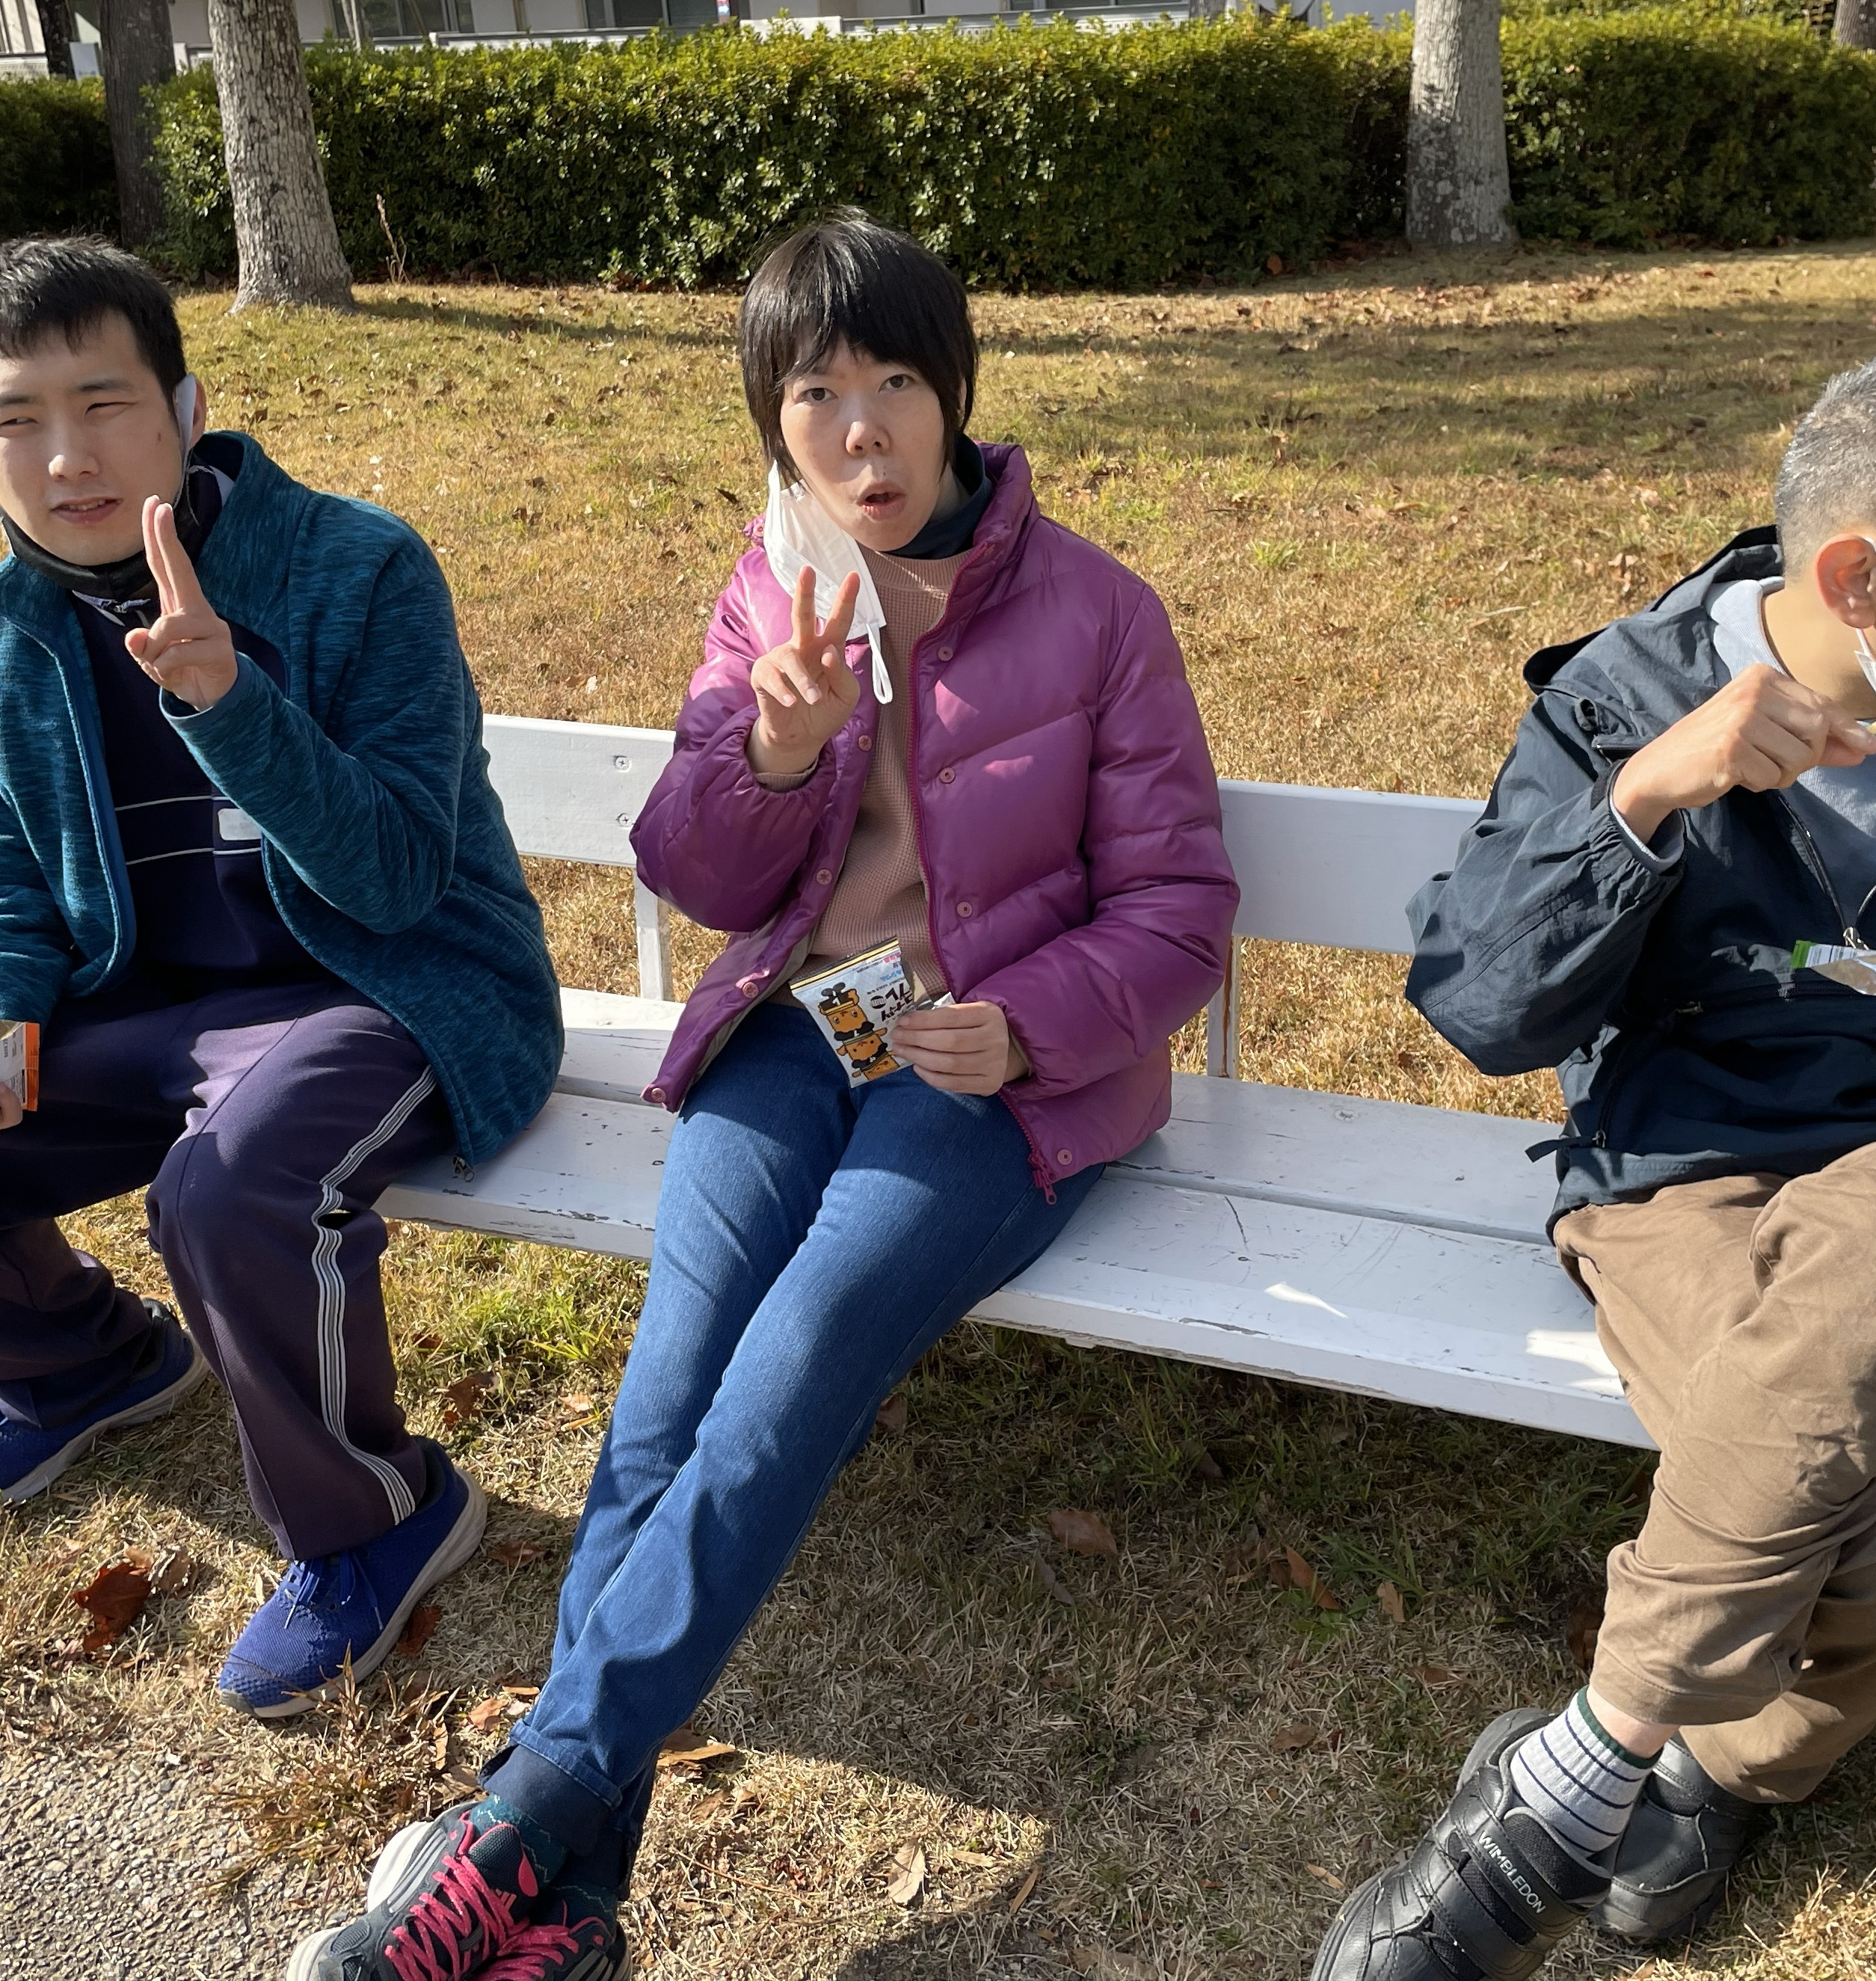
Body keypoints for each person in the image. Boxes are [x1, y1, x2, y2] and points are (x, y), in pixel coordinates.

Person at [287, 212, 1239, 1981]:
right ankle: (562, 1899)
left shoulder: (1100, 612)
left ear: (956, 395)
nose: (862, 431)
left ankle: (515, 1828)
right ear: (773, 424)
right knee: (666, 1397)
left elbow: (1180, 910)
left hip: (991, 1078)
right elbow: (698, 872)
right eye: (816, 394)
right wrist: (776, 752)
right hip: (799, 1034)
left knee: (794, 1364)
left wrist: (1023, 1027)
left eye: (896, 384)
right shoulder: (773, 594)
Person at [1311, 344, 1876, 1980]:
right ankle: (1722, 1768)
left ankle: (1574, 1780)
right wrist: (1643, 801)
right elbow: (1480, 1007)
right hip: (1689, 1179)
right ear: (1858, 576)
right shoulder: (1623, 701)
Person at [0, 236, 561, 1719]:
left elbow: (400, 875)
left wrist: (227, 699)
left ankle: (377, 1517)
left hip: (378, 991)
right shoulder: (0, 628)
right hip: (138, 1011)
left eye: (106, 404)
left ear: (187, 409)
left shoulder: (355, 567)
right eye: (17, 420)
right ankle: (85, 1366)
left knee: (227, 1182)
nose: (67, 457)